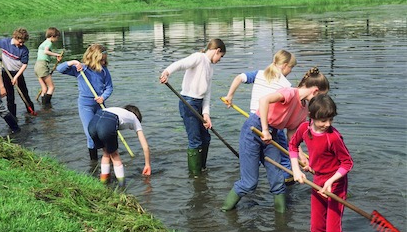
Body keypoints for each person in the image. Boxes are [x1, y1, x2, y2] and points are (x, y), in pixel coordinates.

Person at [221, 67, 330, 213]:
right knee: (249, 183)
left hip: (272, 135)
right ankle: (224, 211)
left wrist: (301, 155)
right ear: (315, 91)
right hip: (255, 130)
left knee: (278, 182)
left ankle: (282, 221)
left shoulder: (304, 108)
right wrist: (265, 130)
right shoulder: (290, 93)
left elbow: (292, 134)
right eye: (322, 96)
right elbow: (264, 100)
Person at [289, 94, 353, 232]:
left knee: (333, 231)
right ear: (311, 116)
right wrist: (297, 170)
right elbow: (292, 145)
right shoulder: (304, 129)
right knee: (317, 227)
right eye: (323, 120)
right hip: (317, 180)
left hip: (335, 184)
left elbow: (347, 163)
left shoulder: (334, 137)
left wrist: (330, 182)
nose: (327, 124)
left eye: (331, 119)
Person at [224, 49, 297, 184]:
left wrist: (230, 96)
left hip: (252, 120)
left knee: (254, 148)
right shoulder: (286, 85)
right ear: (285, 65)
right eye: (291, 67)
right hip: (272, 122)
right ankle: (288, 176)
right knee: (284, 151)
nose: (291, 71)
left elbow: (239, 77)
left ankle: (251, 170)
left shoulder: (259, 74)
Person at [159, 38, 226, 177]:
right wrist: (167, 72)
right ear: (217, 50)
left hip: (200, 104)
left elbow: (207, 93)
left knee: (206, 138)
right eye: (221, 56)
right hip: (188, 102)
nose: (220, 59)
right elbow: (180, 64)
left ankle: (202, 169)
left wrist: (206, 114)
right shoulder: (198, 57)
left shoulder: (210, 68)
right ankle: (195, 175)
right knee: (195, 140)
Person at [57, 44, 113, 160]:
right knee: (90, 134)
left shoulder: (104, 71)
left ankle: (108, 157)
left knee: (104, 132)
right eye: (101, 60)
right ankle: (94, 161)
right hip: (85, 106)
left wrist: (103, 97)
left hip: (99, 105)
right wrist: (73, 62)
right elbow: (60, 69)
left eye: (104, 60)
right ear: (94, 59)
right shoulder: (81, 69)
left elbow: (109, 87)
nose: (103, 62)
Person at [88, 105, 151, 186]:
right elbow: (145, 147)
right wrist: (147, 165)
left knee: (106, 153)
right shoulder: (134, 118)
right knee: (115, 155)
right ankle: (122, 186)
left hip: (93, 123)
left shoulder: (118, 111)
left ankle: (103, 184)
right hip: (107, 123)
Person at [0, 28, 35, 117]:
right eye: (19, 42)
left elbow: (24, 65)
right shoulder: (4, 42)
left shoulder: (24, 50)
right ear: (14, 37)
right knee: (10, 97)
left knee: (24, 94)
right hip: (6, 73)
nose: (21, 44)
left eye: (23, 42)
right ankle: (13, 117)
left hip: (17, 73)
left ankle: (31, 112)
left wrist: (16, 77)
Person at [34, 27, 63, 107]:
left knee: (44, 88)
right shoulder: (49, 43)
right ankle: (47, 106)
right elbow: (46, 51)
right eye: (57, 37)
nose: (57, 40)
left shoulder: (43, 43)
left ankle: (43, 106)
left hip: (37, 66)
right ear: (53, 36)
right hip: (42, 66)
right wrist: (57, 54)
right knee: (51, 87)